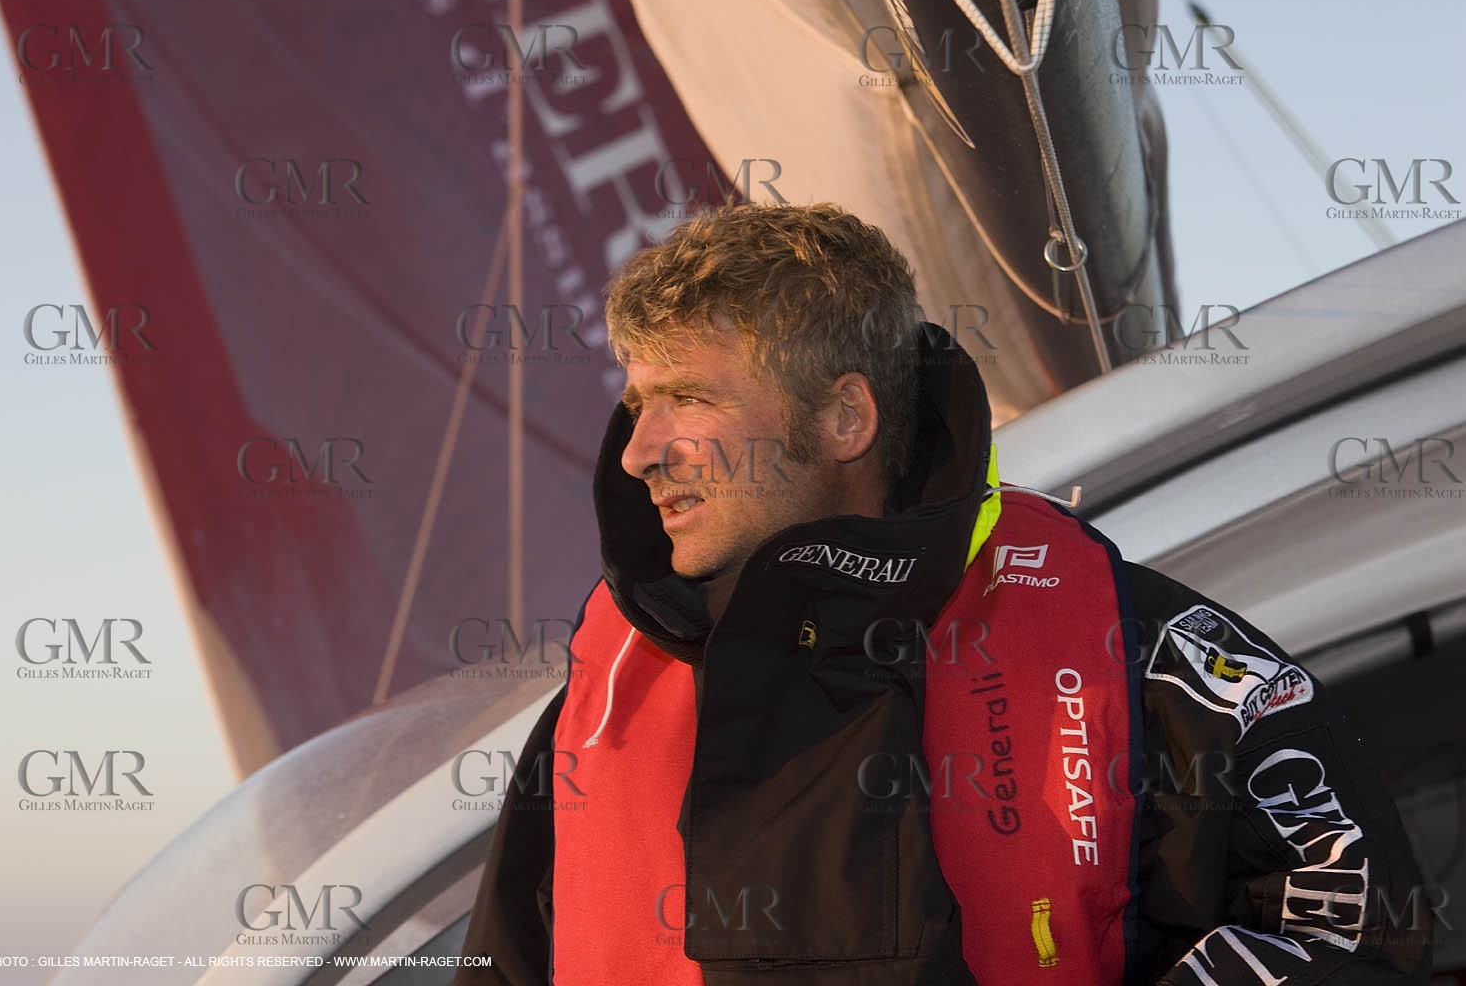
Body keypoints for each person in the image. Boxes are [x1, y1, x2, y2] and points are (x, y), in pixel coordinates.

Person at [455, 203, 1431, 984]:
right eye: (635, 406)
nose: (636, 451)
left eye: (689, 400)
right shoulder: (596, 715)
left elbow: (1352, 935)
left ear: (845, 418)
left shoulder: (1146, 656)